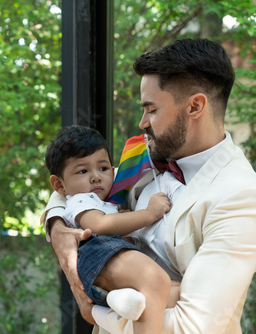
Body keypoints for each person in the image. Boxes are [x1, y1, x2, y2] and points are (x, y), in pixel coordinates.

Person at [41, 38, 256, 334]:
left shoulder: (243, 198)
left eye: (151, 110)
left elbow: (191, 326)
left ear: (195, 106)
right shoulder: (148, 156)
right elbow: (78, 187)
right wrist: (58, 227)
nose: (142, 123)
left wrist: (98, 313)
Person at [45, 125, 181, 333]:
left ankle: (117, 299)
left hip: (109, 261)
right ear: (59, 185)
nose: (96, 177)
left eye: (103, 168)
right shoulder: (81, 200)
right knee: (156, 280)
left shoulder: (102, 198)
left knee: (176, 292)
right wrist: (149, 214)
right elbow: (99, 225)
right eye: (83, 171)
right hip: (99, 253)